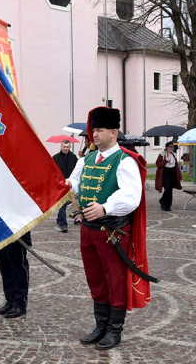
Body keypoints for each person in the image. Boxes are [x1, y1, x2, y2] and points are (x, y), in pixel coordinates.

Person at [67, 107, 150, 350]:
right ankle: (100, 325)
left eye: (99, 130)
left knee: (115, 281)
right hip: (88, 230)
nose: (94, 134)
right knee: (96, 280)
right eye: (93, 130)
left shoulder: (124, 161)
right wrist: (62, 185)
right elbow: (75, 184)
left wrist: (105, 207)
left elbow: (131, 196)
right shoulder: (87, 159)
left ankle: (114, 330)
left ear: (113, 132)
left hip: (112, 233)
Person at [53, 140, 78, 232]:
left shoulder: (73, 157)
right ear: (61, 147)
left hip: (71, 183)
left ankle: (60, 220)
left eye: (67, 147)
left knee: (63, 203)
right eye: (64, 147)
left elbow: (76, 170)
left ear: (70, 147)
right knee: (63, 203)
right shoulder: (55, 158)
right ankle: (63, 224)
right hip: (60, 184)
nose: (65, 148)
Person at [155, 141, 182, 211]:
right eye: (170, 147)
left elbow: (176, 167)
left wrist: (180, 177)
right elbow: (158, 164)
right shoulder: (162, 154)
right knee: (167, 189)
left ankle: (168, 205)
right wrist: (165, 160)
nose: (172, 148)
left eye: (173, 147)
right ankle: (164, 203)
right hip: (165, 173)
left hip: (172, 173)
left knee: (170, 190)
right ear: (166, 147)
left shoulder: (173, 155)